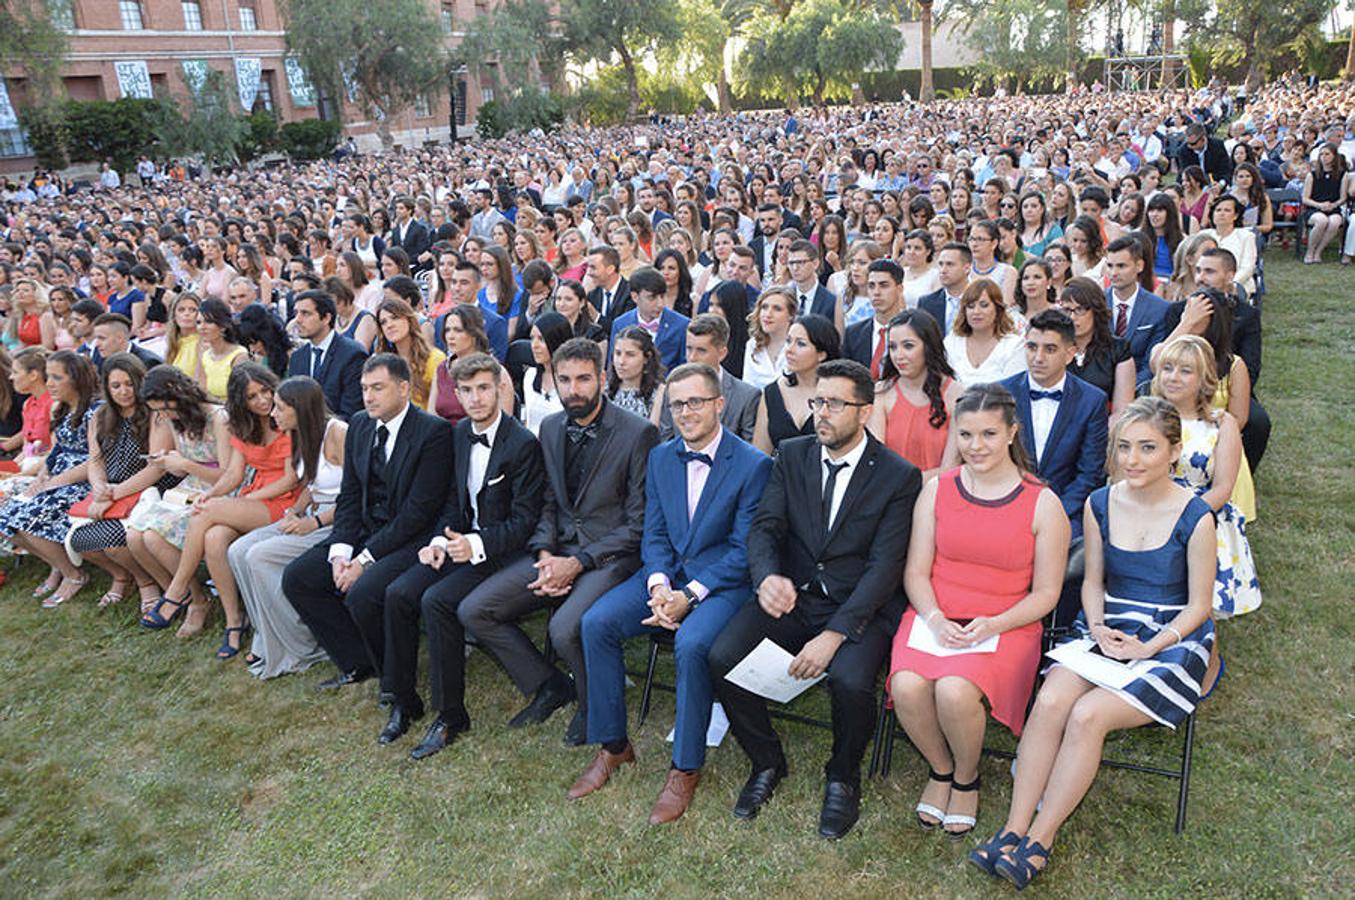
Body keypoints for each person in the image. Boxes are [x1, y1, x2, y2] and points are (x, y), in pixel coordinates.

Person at [975, 397, 1215, 889]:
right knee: (1052, 700)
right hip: (1108, 624)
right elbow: (1093, 581)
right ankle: (1012, 827)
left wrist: (1149, 648)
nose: (1133, 459)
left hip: (1172, 639)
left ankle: (1041, 838)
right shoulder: (1100, 503)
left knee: (1088, 715)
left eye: (1148, 447)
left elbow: (1199, 608)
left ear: (1174, 450)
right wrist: (1098, 624)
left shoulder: (1197, 516)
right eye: (1123, 447)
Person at [709, 359, 923, 840]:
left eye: (834, 404)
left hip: (859, 608)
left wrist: (833, 636)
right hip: (795, 595)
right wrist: (766, 577)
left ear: (864, 412)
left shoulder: (898, 476)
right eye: (817, 401)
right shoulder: (793, 453)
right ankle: (766, 760)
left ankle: (843, 776)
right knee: (722, 656)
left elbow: (884, 569)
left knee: (849, 681)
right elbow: (766, 527)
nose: (821, 413)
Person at [570, 362, 773, 822]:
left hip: (722, 584)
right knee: (596, 623)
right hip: (667, 577)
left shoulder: (754, 466)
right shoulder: (662, 457)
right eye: (678, 404)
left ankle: (685, 767)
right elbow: (655, 533)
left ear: (720, 405)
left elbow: (744, 551)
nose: (686, 412)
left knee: (692, 643)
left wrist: (690, 596)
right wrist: (660, 585)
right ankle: (613, 745)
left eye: (696, 402)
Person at [456, 337, 658, 746]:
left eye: (584, 379)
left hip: (610, 557)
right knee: (476, 610)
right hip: (557, 548)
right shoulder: (549, 426)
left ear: (603, 378)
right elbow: (548, 502)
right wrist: (547, 553)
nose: (573, 389)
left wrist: (578, 562)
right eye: (564, 380)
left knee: (566, 628)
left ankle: (593, 703)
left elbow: (638, 524)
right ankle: (551, 684)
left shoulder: (639, 433)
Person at [890, 383, 1069, 837]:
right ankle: (941, 768)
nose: (975, 446)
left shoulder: (1043, 503)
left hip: (1007, 622)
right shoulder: (936, 490)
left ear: (1012, 433)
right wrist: (933, 617)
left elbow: (1046, 594)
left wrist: (994, 623)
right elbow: (915, 573)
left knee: (954, 690)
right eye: (966, 435)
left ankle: (967, 777)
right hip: (935, 615)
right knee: (908, 687)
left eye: (988, 434)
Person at [369, 354, 546, 757]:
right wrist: (438, 541)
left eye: (484, 388)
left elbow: (525, 522)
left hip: (503, 552)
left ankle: (451, 715)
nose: (476, 398)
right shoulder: (460, 432)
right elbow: (453, 501)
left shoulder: (522, 444)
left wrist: (476, 545)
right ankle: (403, 698)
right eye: (466, 390)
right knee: (398, 594)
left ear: (501, 388)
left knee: (437, 601)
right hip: (461, 544)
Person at [282, 353, 455, 688]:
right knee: (298, 578)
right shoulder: (360, 423)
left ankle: (394, 681)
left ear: (404, 388)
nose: (369, 396)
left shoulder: (432, 433)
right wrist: (341, 552)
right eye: (364, 388)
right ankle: (359, 661)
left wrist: (363, 559)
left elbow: (418, 512)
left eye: (378, 388)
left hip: (410, 539)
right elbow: (350, 495)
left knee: (362, 593)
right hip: (364, 529)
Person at [144, 363, 302, 659]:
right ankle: (234, 620)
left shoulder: (285, 418)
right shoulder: (245, 426)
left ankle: (176, 592)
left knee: (206, 513)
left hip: (286, 500)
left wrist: (247, 497)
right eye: (253, 397)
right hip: (254, 496)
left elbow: (290, 479)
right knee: (214, 537)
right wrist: (213, 495)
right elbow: (232, 474)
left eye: (265, 391)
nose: (263, 400)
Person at [228, 376, 346, 679]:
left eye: (279, 408)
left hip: (336, 521)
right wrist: (294, 510)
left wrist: (313, 522)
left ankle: (303, 643)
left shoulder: (338, 434)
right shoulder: (300, 433)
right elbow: (311, 482)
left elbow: (356, 495)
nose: (272, 414)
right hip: (310, 513)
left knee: (260, 556)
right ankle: (269, 634)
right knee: (238, 550)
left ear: (299, 408)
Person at [1151, 336, 1261, 617]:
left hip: (1200, 517)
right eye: (1168, 368)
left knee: (1199, 619)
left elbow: (1223, 487)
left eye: (1185, 371)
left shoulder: (1221, 424)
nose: (1173, 377)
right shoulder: (1145, 417)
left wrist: (1184, 519)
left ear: (1204, 379)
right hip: (1147, 512)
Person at [125, 366, 232, 637]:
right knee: (134, 535)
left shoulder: (218, 418)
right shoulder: (175, 420)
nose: (163, 416)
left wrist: (184, 463)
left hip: (219, 490)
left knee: (152, 537)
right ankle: (183, 593)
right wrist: (165, 462)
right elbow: (179, 471)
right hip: (187, 488)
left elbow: (229, 475)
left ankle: (198, 600)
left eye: (164, 408)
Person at [65, 354, 166, 612]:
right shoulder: (100, 416)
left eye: (129, 383)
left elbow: (156, 469)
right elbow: (95, 460)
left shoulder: (155, 415)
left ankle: (147, 583)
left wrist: (114, 494)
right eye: (116, 386)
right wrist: (99, 487)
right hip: (111, 490)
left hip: (148, 489)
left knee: (111, 539)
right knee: (79, 540)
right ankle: (127, 576)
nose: (124, 391)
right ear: (107, 388)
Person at [0, 351, 99, 607]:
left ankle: (73, 574)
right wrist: (42, 477)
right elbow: (57, 450)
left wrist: (54, 482)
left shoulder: (96, 411)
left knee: (28, 514)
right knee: (6, 515)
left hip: (83, 480)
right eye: (49, 377)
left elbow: (96, 461)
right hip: (58, 474)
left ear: (75, 379)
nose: (50, 383)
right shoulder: (61, 408)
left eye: (56, 377)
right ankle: (56, 564)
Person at [1002, 308, 1109, 542]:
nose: (1038, 357)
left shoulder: (1092, 401)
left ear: (1070, 353)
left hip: (1066, 510)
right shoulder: (1002, 394)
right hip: (1005, 505)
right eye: (1031, 347)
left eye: (1049, 349)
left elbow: (1089, 474)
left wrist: (1053, 511)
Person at [1159, 249, 1269, 471]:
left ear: (1230, 275)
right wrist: (1187, 323)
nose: (1200, 277)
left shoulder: (1246, 315)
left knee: (1258, 421)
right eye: (1198, 270)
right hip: (1177, 387)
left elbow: (1251, 365)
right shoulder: (1177, 311)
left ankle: (1237, 468)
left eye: (1209, 271)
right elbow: (1159, 362)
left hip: (1227, 383)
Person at [866, 309, 961, 478]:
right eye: (893, 347)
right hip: (890, 495)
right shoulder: (881, 392)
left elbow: (950, 468)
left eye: (908, 346)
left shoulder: (957, 394)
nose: (898, 355)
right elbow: (875, 461)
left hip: (938, 493)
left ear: (929, 346)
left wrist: (908, 486)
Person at [657, 314, 760, 443]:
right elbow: (666, 439)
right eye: (689, 349)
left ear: (722, 353)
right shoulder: (673, 389)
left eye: (701, 350)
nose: (692, 358)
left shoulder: (746, 397)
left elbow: (750, 451)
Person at [753, 314, 838, 455]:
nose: (789, 350)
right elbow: (760, 454)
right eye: (788, 341)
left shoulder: (838, 394)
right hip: (780, 475)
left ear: (821, 354)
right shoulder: (772, 392)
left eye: (801, 344)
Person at [285, 289, 367, 421]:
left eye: (305, 313)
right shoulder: (298, 358)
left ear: (326, 318)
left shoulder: (352, 354)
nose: (297, 320)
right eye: (296, 313)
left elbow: (352, 411)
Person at [1056, 278, 1135, 413]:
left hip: (1103, 428)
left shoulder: (1118, 349)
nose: (1073, 317)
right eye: (1067, 310)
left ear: (1096, 311)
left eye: (1080, 309)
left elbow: (1121, 411)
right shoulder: (1054, 348)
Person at [1103, 236, 1168, 386]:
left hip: (1139, 390)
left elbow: (1151, 363)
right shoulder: (1095, 303)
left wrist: (1126, 389)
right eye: (1110, 266)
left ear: (1139, 266)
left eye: (1121, 266)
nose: (1113, 273)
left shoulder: (1159, 309)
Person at [943, 279, 1027, 387]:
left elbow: (1013, 389)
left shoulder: (1014, 346)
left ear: (998, 310)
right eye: (971, 306)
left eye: (984, 305)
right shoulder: (952, 342)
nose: (976, 312)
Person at [608, 266, 688, 374]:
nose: (660, 304)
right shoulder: (620, 324)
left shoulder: (681, 324)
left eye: (662, 296)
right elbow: (613, 365)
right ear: (635, 297)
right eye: (652, 298)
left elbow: (685, 367)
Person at [375, 298, 445, 411]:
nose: (389, 325)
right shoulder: (381, 363)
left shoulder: (435, 359)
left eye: (395, 318)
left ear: (409, 320)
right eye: (383, 322)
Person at [844, 260, 908, 378]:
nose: (876, 292)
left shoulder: (914, 332)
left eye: (884, 285)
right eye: (871, 286)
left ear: (899, 289)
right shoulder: (853, 334)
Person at [521, 311, 574, 436]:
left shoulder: (573, 380)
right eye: (532, 338)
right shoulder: (530, 375)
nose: (534, 346)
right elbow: (527, 421)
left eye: (541, 339)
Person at [606, 325, 666, 424]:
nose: (621, 361)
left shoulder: (659, 393)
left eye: (630, 355)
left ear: (646, 358)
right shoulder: (604, 391)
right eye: (618, 353)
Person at [742, 286, 795, 391]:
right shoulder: (752, 345)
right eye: (764, 307)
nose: (768, 314)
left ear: (791, 315)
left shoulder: (798, 345)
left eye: (777, 309)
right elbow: (747, 387)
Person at [196, 298, 248, 400]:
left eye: (208, 322)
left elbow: (239, 395)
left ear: (223, 326)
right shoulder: (205, 355)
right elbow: (201, 389)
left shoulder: (239, 355)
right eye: (198, 322)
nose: (202, 327)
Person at [917, 242, 971, 335]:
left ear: (966, 268)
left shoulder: (982, 299)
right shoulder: (926, 303)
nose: (943, 270)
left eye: (950, 264)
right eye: (941, 264)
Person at [90, 313, 163, 371]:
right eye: (96, 338)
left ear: (120, 338)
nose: (97, 344)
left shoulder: (147, 362)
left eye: (102, 338)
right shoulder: (99, 355)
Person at [586, 246, 633, 332]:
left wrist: (597, 316)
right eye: (588, 267)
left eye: (593, 267)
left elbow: (624, 330)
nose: (588, 273)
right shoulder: (592, 295)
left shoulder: (631, 293)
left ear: (610, 269)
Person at [786, 240, 836, 319]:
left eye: (801, 262)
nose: (795, 268)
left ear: (815, 264)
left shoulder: (831, 301)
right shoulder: (785, 298)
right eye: (791, 263)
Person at [165, 293, 202, 378]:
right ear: (174, 315)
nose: (187, 314)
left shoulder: (203, 344)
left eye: (192, 310)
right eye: (181, 310)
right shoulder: (173, 342)